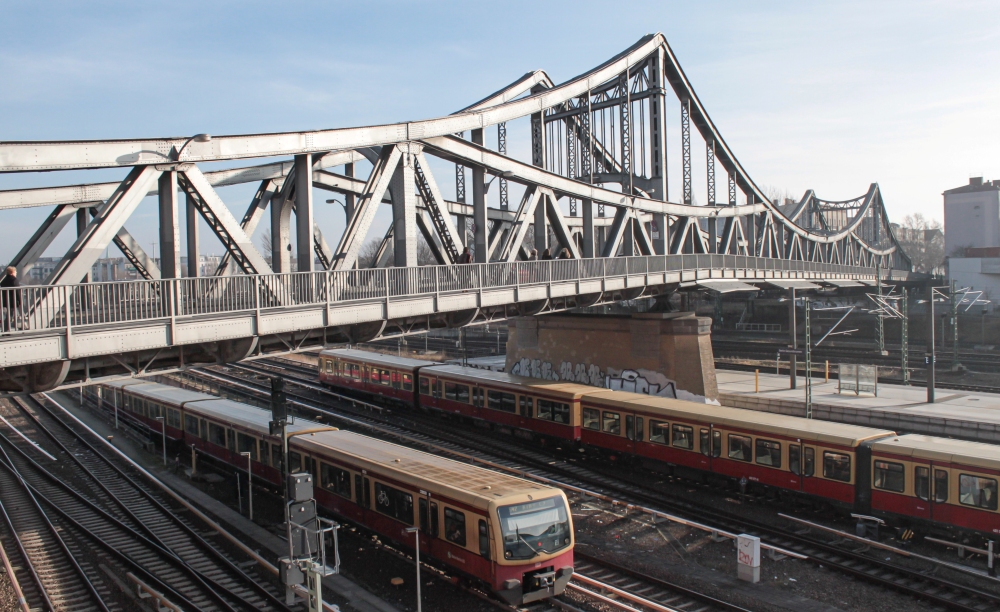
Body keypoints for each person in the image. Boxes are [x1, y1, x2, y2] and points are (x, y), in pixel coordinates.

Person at [1, 266, 21, 332]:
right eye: (15, 272)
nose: (16, 273)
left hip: (5, 301)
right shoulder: (15, 280)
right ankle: (9, 329)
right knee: (11, 316)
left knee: (7, 315)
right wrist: (20, 301)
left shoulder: (3, 281)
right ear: (12, 272)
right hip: (13, 301)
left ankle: (5, 329)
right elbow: (17, 292)